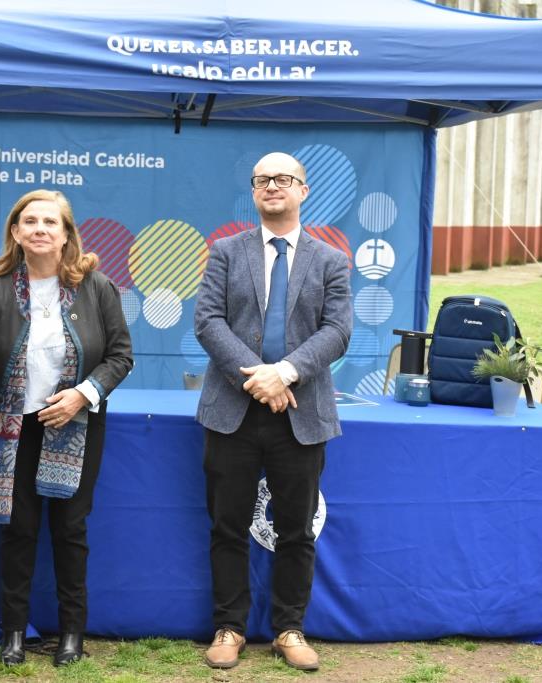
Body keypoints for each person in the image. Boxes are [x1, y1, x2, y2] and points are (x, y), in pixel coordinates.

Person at [193, 152, 352, 671]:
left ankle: (289, 628)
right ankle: (229, 627)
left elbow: (338, 331)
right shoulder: (225, 251)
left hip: (300, 412)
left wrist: (283, 373)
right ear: (254, 191)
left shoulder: (330, 260)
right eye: (263, 181)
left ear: (304, 190)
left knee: (297, 529)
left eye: (283, 180)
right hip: (232, 411)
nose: (272, 187)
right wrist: (258, 377)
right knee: (227, 525)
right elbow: (209, 322)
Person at [0, 189, 133, 667]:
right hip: (12, 429)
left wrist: (83, 394)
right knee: (18, 531)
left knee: (70, 530)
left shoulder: (96, 286)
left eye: (50, 222)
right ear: (15, 232)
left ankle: (71, 633)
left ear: (67, 234)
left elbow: (120, 355)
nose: (40, 229)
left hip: (78, 423)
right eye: (30, 222)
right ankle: (14, 633)